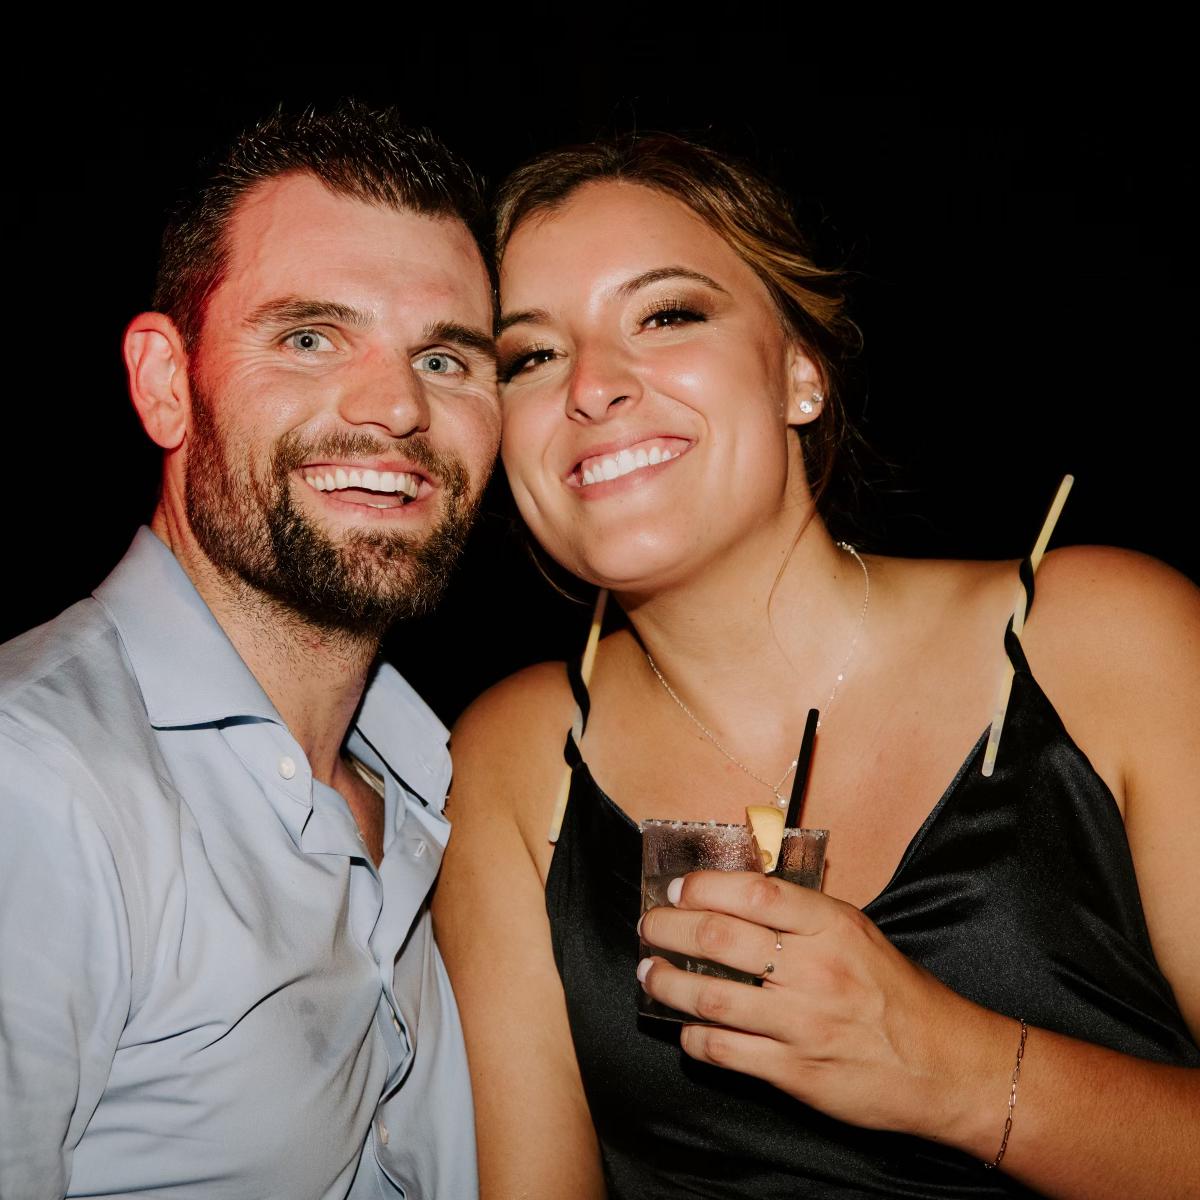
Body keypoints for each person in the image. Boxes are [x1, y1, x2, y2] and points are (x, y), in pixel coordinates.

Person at [435, 134, 1200, 1199]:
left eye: (667, 315)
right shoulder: (512, 763)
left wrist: (955, 1073)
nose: (593, 387)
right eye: (530, 356)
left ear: (800, 371)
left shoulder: (1103, 638)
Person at [0, 104, 499, 1199]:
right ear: (165, 383)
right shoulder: (33, 783)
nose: (398, 407)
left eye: (446, 357)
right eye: (309, 337)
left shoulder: (431, 775)